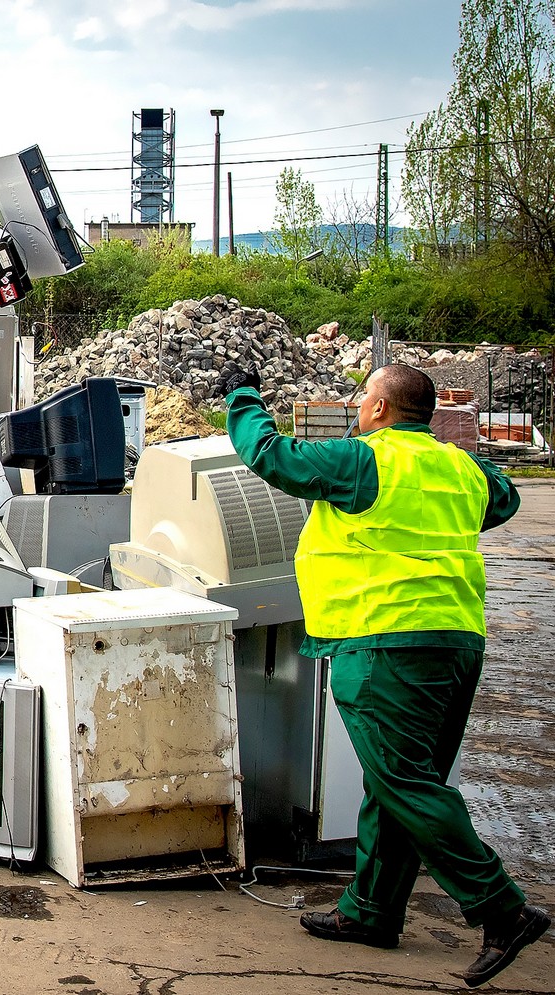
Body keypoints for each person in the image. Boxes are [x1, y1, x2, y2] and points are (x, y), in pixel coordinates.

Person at [215, 360, 549, 989]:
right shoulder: (461, 466)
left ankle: (502, 909)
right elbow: (503, 499)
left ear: (380, 410)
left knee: (403, 782)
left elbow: (269, 455)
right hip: (456, 641)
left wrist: (242, 394)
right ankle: (370, 912)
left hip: (383, 640)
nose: (358, 404)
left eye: (364, 396)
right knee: (398, 781)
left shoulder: (363, 461)